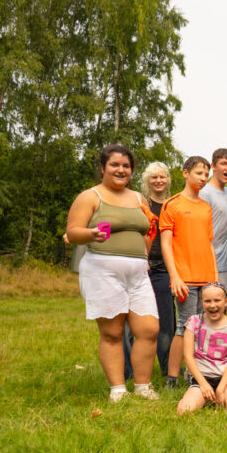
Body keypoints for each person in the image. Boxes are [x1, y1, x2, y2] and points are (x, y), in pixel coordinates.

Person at [65, 144, 160, 402]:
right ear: (103, 168)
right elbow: (73, 232)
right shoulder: (90, 196)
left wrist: (145, 257)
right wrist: (91, 233)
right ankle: (118, 390)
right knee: (112, 333)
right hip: (102, 271)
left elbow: (147, 230)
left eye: (126, 166)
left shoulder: (139, 199)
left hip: (138, 274)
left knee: (149, 329)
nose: (121, 170)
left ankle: (143, 387)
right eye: (115, 165)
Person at [160, 156, 219, 387]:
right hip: (185, 279)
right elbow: (166, 244)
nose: (203, 178)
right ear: (185, 173)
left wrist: (215, 278)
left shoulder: (206, 207)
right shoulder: (172, 204)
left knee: (203, 328)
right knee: (184, 327)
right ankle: (172, 378)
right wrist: (175, 276)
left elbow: (209, 244)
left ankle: (195, 374)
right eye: (199, 173)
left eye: (206, 175)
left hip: (207, 279)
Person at [120, 162, 175, 384]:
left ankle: (168, 370)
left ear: (168, 180)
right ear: (147, 180)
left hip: (163, 270)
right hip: (137, 267)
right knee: (128, 324)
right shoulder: (139, 203)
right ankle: (128, 372)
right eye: (154, 177)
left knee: (166, 324)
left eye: (162, 177)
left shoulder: (173, 205)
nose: (158, 181)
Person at [176, 283, 227, 414]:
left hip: (226, 378)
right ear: (201, 302)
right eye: (207, 301)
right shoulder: (193, 322)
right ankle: (194, 397)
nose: (212, 305)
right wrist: (203, 384)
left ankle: (217, 395)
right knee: (184, 411)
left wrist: (220, 389)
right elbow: (188, 356)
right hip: (201, 378)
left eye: (217, 300)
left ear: (226, 302)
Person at [199, 148, 227, 291]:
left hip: (223, 265)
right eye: (224, 163)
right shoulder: (204, 193)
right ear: (213, 166)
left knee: (224, 304)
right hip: (205, 265)